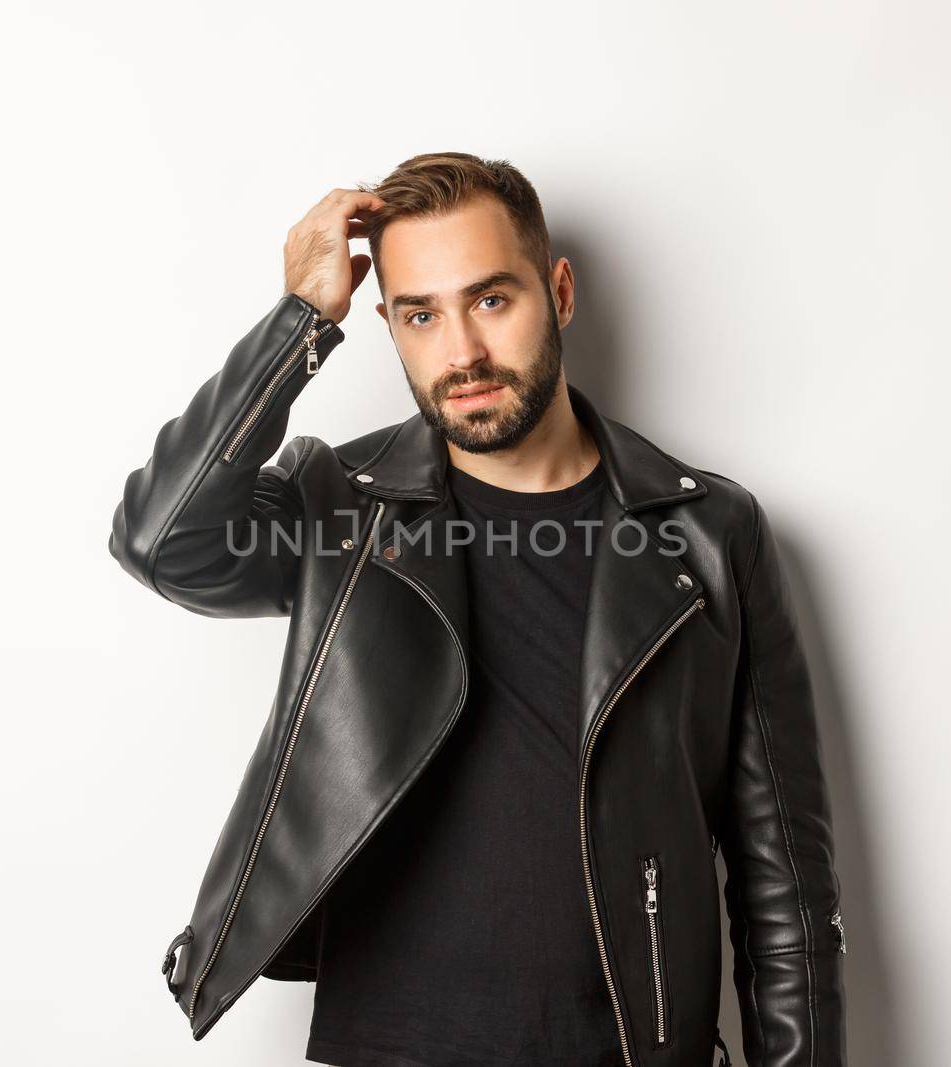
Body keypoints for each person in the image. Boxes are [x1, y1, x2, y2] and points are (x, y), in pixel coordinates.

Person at [109, 152, 847, 1067]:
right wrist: (301, 320)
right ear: (389, 325)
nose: (461, 353)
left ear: (560, 292)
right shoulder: (341, 506)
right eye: (421, 315)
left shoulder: (707, 533)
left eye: (492, 300)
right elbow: (160, 539)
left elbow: (788, 892)